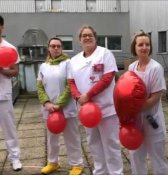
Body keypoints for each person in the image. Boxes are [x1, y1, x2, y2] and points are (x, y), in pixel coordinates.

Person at [68, 25, 123, 175]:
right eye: (83, 35)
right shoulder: (74, 60)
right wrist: (77, 96)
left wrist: (88, 95)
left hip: (106, 109)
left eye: (89, 35)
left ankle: (116, 172)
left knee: (111, 143)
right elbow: (71, 82)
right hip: (87, 111)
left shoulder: (105, 54)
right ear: (79, 40)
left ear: (95, 37)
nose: (87, 37)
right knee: (93, 143)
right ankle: (100, 171)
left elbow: (108, 77)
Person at [36, 37, 84, 175]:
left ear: (62, 48)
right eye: (53, 46)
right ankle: (52, 162)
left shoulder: (68, 63)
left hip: (66, 108)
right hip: (49, 110)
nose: (55, 48)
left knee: (72, 137)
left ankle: (77, 165)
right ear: (48, 48)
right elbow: (39, 87)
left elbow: (70, 85)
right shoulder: (43, 66)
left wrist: (58, 104)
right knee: (51, 138)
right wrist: (46, 103)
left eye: (58, 46)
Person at [127, 31, 168, 175]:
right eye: (140, 44)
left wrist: (135, 108)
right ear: (135, 47)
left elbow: (156, 96)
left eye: (147, 44)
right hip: (135, 121)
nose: (144, 47)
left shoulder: (156, 68)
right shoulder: (131, 68)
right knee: (135, 156)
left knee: (157, 158)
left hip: (152, 120)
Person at [0, 15, 22, 171]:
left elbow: (15, 71)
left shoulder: (10, 48)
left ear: (2, 27)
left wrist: (2, 70)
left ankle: (15, 158)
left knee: (9, 128)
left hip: (3, 95)